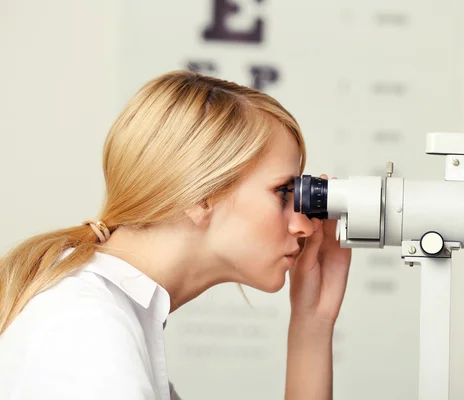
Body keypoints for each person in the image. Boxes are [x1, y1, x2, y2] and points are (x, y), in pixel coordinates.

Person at [0, 71, 352, 399]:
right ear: (201, 197)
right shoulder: (86, 330)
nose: (304, 226)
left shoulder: (97, 313)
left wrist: (313, 325)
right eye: (282, 192)